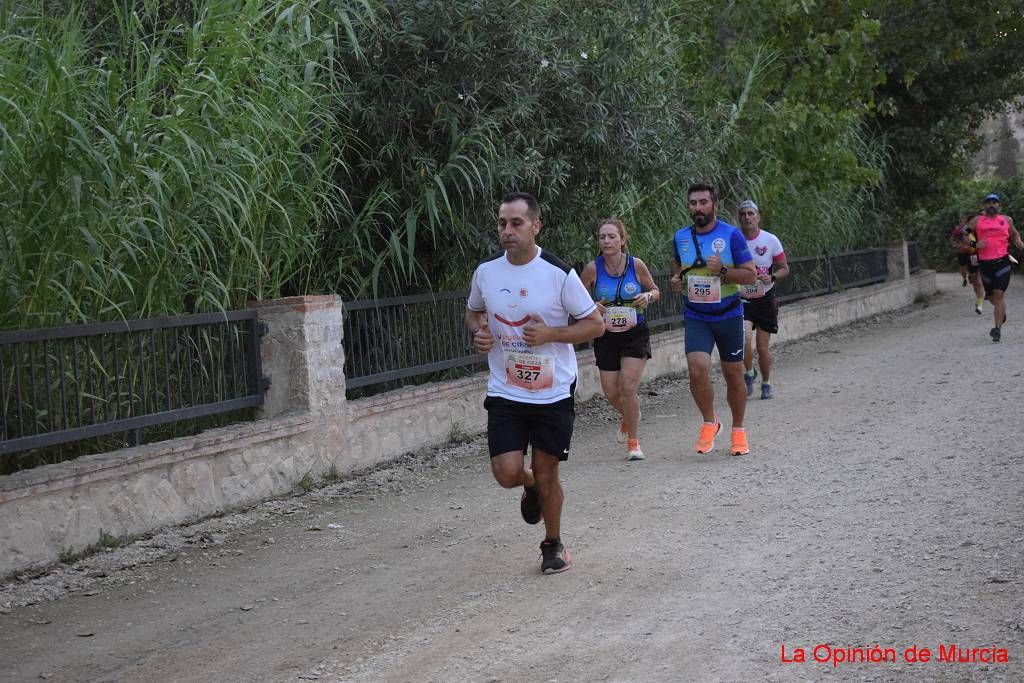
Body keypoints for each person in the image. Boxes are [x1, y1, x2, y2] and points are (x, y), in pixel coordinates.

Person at [466, 191, 605, 574]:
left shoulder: (558, 273)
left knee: (549, 472)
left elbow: (596, 324)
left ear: (535, 226)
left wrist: (552, 335)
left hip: (552, 391)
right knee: (506, 473)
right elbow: (474, 313)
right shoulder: (486, 273)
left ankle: (553, 543)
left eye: (516, 223)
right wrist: (478, 333)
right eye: (502, 223)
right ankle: (529, 485)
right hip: (506, 388)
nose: (507, 231)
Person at [668, 182, 757, 455]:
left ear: (715, 205)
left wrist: (723, 271)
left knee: (733, 373)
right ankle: (710, 422)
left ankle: (738, 430)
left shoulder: (732, 236)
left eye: (703, 202)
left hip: (729, 313)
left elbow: (751, 274)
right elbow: (677, 268)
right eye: (693, 203)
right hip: (697, 314)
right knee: (696, 369)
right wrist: (676, 280)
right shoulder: (681, 237)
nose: (698, 208)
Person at [580, 218, 660, 461]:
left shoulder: (636, 265)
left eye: (611, 236)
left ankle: (634, 443)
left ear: (622, 240)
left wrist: (647, 296)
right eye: (602, 237)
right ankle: (630, 413)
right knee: (611, 392)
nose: (606, 241)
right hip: (605, 335)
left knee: (627, 387)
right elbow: (576, 299)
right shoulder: (593, 268)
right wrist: (591, 306)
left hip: (635, 332)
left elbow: (656, 290)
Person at [737, 200, 789, 400]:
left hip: (765, 298)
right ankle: (749, 373)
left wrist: (773, 277)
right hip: (743, 300)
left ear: (758, 217)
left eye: (751, 213)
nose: (747, 217)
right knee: (744, 340)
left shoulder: (770, 240)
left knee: (762, 347)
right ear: (740, 218)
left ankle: (766, 383)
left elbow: (785, 267)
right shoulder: (735, 240)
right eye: (743, 214)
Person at [969, 192, 1024, 342]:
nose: (991, 205)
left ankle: (997, 329)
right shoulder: (977, 221)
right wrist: (975, 244)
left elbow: (1014, 235)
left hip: (1002, 263)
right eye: (988, 202)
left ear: (999, 205)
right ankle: (1001, 313)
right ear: (984, 205)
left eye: (994, 202)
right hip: (985, 265)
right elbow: (964, 234)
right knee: (993, 299)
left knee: (999, 295)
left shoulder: (1006, 220)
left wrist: (1019, 243)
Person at [950, 214, 984, 314]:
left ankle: (981, 302)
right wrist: (957, 244)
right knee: (975, 281)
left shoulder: (986, 227)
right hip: (971, 255)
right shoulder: (964, 230)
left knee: (980, 280)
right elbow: (964, 239)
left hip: (985, 256)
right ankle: (979, 300)